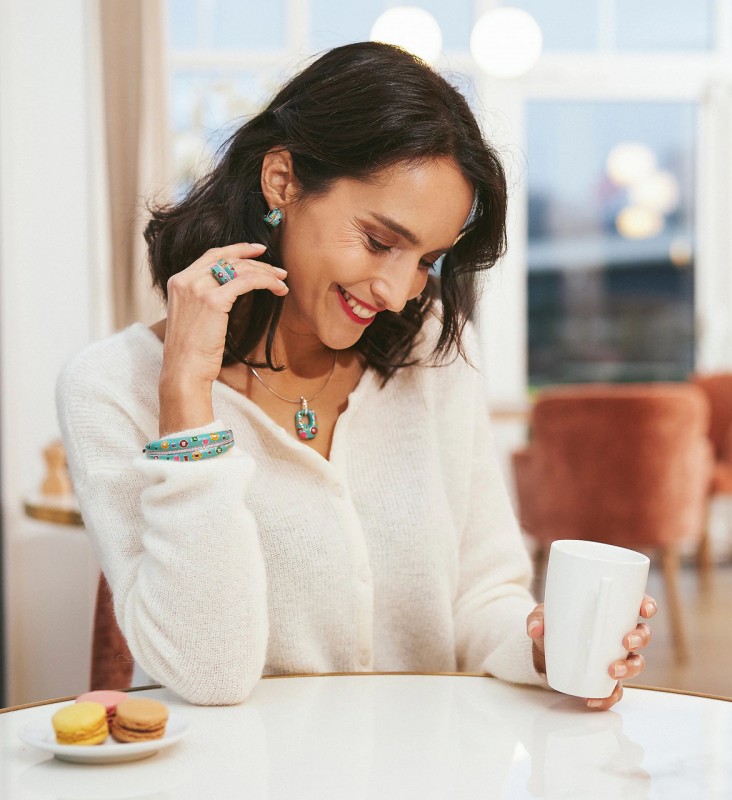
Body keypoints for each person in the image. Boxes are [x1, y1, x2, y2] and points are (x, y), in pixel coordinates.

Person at [57, 42, 655, 708]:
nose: (400, 292)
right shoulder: (112, 388)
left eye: (427, 260)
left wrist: (540, 647)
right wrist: (187, 397)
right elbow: (209, 671)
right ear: (282, 181)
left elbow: (482, 594)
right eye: (378, 241)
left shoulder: (430, 356)